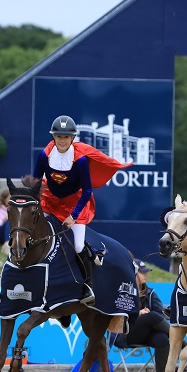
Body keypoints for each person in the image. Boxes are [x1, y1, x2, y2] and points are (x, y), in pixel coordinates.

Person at [32, 115, 131, 304]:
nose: (62, 141)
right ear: (54, 137)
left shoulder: (80, 160)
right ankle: (14, 270)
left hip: (74, 204)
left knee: (78, 246)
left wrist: (73, 215)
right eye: (59, 136)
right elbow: (36, 181)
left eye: (66, 137)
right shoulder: (44, 155)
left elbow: (87, 191)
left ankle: (88, 286)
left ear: (72, 138)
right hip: (50, 201)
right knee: (31, 231)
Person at [114, 259, 172, 372]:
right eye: (142, 272)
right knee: (150, 316)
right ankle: (182, 343)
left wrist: (147, 314)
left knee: (162, 339)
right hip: (126, 334)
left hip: (147, 334)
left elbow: (160, 315)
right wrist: (137, 314)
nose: (146, 275)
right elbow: (116, 316)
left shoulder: (150, 293)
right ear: (133, 273)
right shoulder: (123, 293)